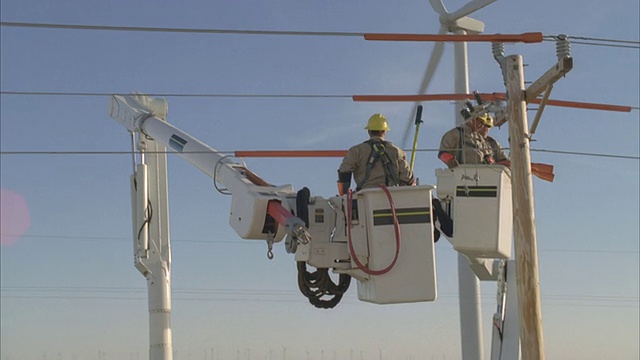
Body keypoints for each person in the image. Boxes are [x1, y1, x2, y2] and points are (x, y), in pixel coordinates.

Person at [337, 113, 415, 195]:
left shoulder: (356, 151)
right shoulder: (397, 151)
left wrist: (344, 195)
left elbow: (344, 171)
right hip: (393, 196)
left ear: (369, 131)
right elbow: (407, 178)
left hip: (366, 197)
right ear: (384, 131)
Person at [437, 113, 509, 168]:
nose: (482, 126)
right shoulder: (455, 134)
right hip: (460, 174)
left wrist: (490, 161)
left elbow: (487, 156)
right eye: (481, 122)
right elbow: (442, 152)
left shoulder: (480, 139)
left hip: (481, 176)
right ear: (472, 119)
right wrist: (450, 160)